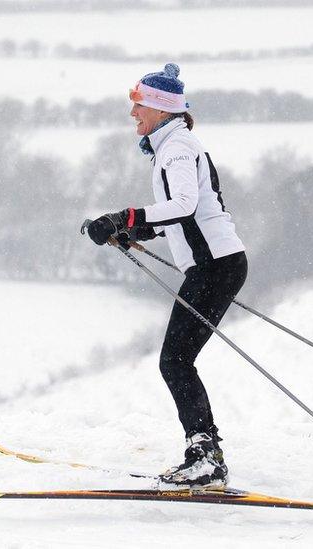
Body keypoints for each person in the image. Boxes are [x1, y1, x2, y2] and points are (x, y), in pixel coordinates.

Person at [84, 63, 248, 489]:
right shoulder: (173, 145)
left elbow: (185, 205)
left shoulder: (176, 147)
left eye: (138, 106)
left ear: (159, 108)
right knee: (176, 360)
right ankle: (204, 453)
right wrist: (128, 230)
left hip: (215, 266)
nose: (133, 114)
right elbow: (175, 217)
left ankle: (206, 458)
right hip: (218, 264)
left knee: (175, 361)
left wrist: (125, 215)